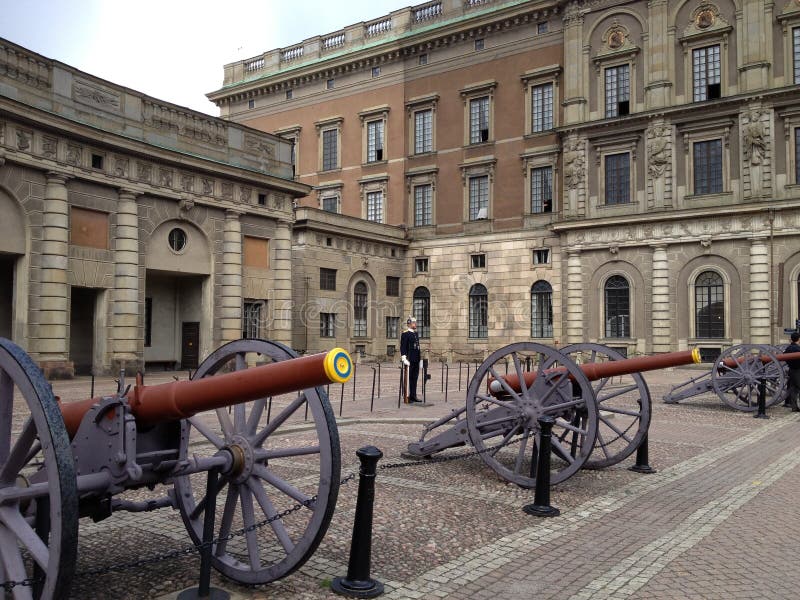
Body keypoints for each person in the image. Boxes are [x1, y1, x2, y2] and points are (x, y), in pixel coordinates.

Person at [400, 316, 422, 403]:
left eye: (415, 323)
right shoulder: (405, 334)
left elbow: (417, 347)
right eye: (413, 323)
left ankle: (413, 395)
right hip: (409, 360)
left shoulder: (415, 334)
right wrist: (404, 358)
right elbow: (403, 347)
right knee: (408, 378)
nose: (415, 324)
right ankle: (407, 396)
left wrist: (419, 360)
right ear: (409, 324)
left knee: (415, 378)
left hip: (416, 359)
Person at [784, 332, 800, 412]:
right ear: (799, 339)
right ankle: (794, 406)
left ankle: (794, 407)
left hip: (791, 370)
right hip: (797, 370)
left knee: (794, 388)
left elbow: (784, 357)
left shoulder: (789, 348)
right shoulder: (797, 348)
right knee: (796, 388)